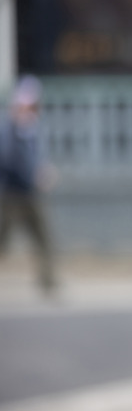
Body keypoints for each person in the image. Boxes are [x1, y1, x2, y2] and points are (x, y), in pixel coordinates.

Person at [0, 75, 57, 297]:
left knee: (44, 238)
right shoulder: (8, 130)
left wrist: (43, 172)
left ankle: (48, 280)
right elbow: (8, 160)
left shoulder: (33, 130)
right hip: (10, 195)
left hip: (31, 195)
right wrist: (32, 175)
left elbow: (38, 158)